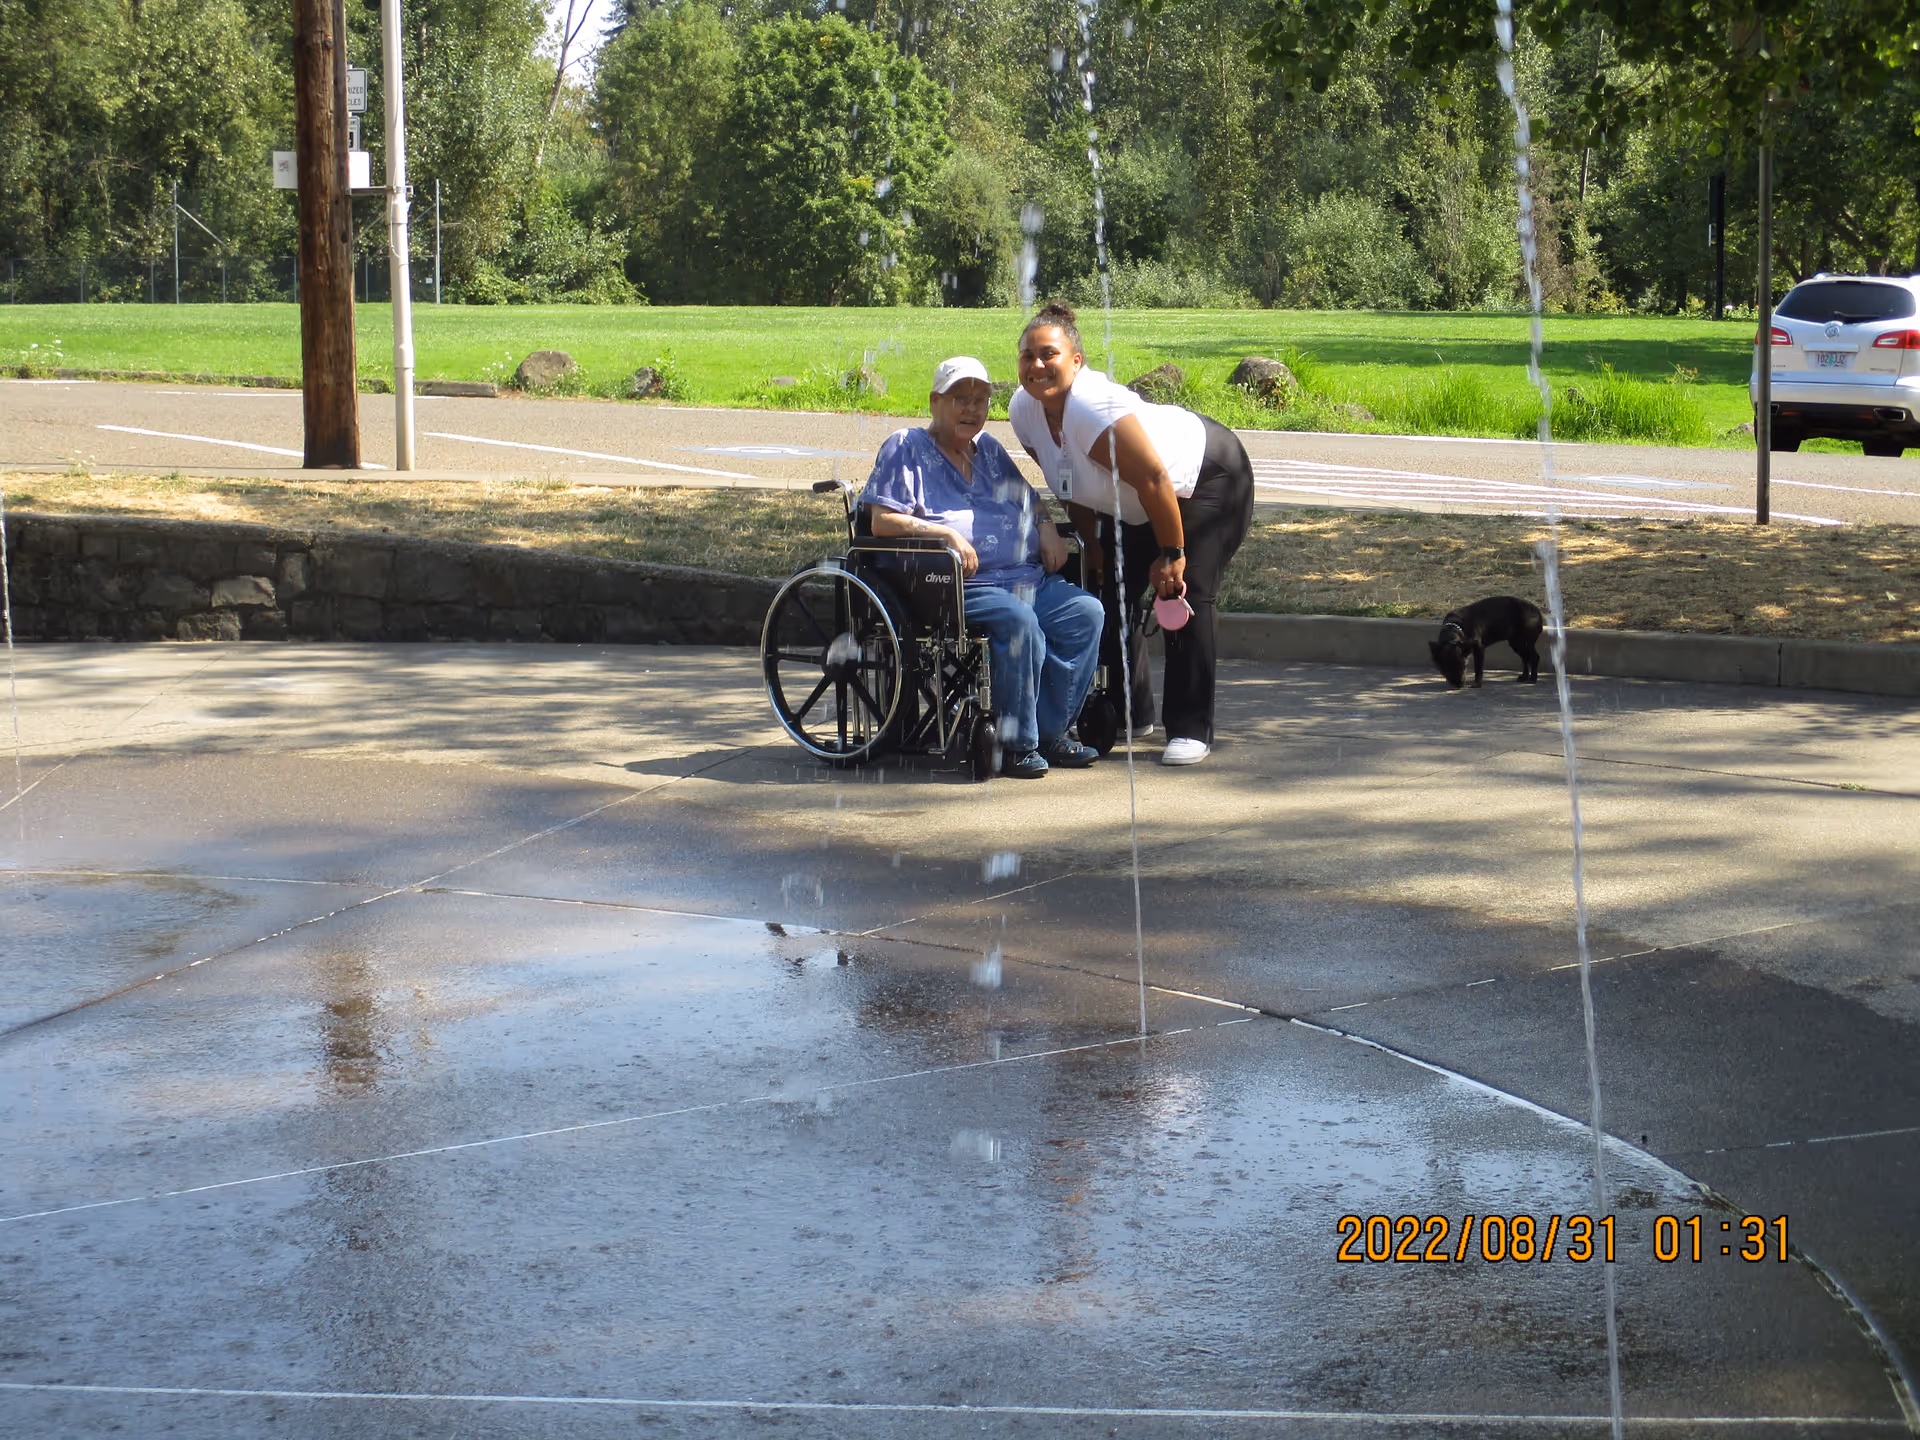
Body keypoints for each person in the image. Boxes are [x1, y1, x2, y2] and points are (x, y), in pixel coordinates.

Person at [1008, 303, 1255, 767]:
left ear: (1076, 360)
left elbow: (1157, 481)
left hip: (1204, 478)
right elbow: (1066, 480)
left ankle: (1189, 728)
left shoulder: (1088, 408)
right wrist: (1092, 543)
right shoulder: (1025, 409)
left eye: (1049, 354)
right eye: (1027, 356)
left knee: (1183, 593)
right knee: (1106, 591)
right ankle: (1128, 711)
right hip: (1135, 497)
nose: (1037, 366)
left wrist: (1173, 553)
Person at [859, 355, 1105, 780]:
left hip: (1025, 577)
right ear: (935, 401)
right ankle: (1017, 744)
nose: (971, 409)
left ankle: (1051, 731)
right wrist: (946, 535)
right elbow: (881, 520)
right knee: (1019, 622)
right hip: (956, 584)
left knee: (1086, 613)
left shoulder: (989, 450)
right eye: (960, 399)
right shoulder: (906, 447)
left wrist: (1046, 527)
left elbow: (1027, 497)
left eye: (980, 400)